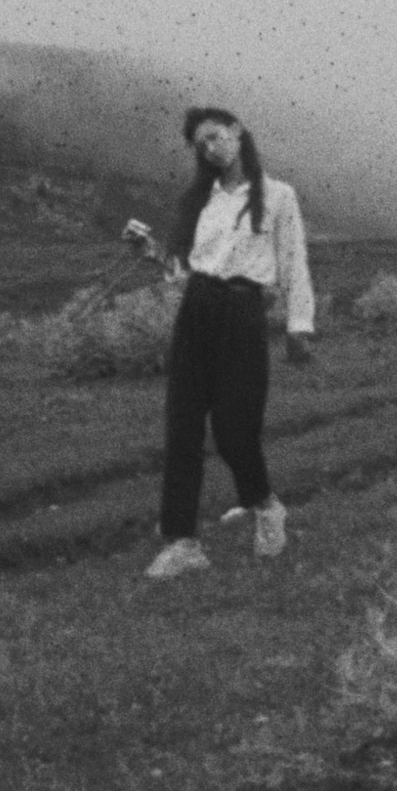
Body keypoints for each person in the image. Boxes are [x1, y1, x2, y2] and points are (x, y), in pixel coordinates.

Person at [129, 105, 314, 579]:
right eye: (201, 144)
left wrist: (299, 325)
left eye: (215, 136)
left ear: (236, 130)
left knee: (235, 429)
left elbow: (294, 261)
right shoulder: (201, 200)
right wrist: (152, 254)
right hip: (197, 311)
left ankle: (266, 505)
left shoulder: (277, 196)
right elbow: (186, 271)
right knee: (183, 427)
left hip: (243, 314)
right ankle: (183, 542)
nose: (211, 148)